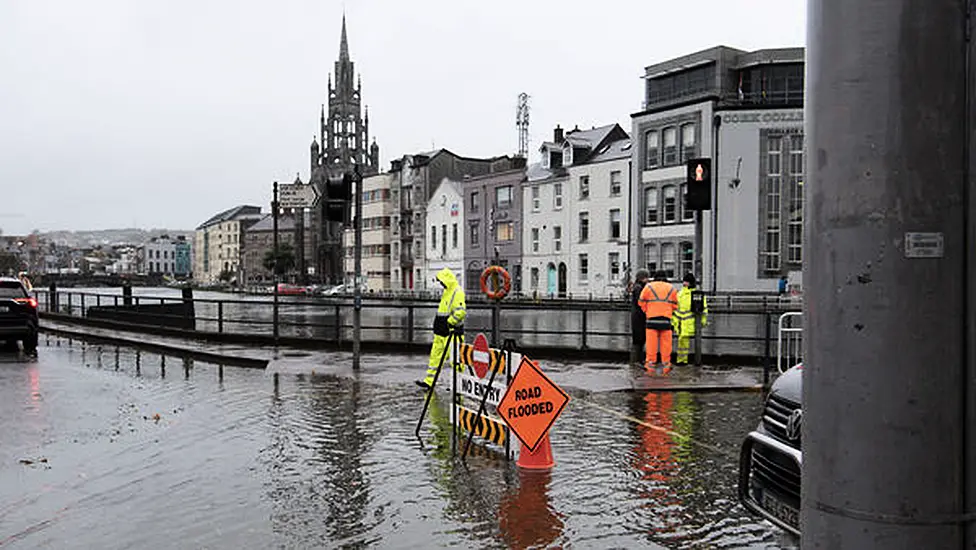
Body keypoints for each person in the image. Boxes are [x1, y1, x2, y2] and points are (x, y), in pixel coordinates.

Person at [418, 267, 467, 389]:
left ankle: (458, 384)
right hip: (441, 332)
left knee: (455, 361)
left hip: (452, 333)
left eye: (442, 281)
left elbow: (460, 312)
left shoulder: (457, 292)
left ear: (447, 280)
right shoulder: (447, 292)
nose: (441, 284)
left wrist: (449, 323)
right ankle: (429, 382)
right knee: (435, 358)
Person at [639, 271, 678, 372]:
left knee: (651, 345)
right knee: (666, 345)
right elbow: (675, 305)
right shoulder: (672, 288)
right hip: (666, 320)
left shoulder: (648, 287)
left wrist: (647, 310)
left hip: (651, 320)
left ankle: (650, 367)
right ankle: (666, 366)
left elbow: (641, 301)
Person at [673, 273, 708, 365]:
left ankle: (685, 360)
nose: (684, 283)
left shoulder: (693, 294)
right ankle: (682, 361)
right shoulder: (680, 294)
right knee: (682, 343)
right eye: (684, 281)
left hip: (691, 323)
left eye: (686, 281)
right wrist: (675, 323)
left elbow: (703, 310)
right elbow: (676, 310)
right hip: (683, 323)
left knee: (685, 342)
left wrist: (702, 322)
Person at [629, 269, 650, 363]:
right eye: (646, 277)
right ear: (642, 278)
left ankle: (636, 361)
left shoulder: (636, 287)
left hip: (637, 317)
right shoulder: (639, 288)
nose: (648, 279)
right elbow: (640, 302)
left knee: (638, 340)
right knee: (638, 341)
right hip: (639, 317)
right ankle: (635, 361)